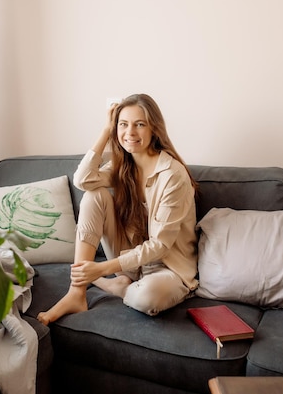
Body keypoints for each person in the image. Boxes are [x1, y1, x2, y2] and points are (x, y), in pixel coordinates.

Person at [37, 93, 199, 325]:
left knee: (147, 298)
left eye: (139, 124)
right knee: (94, 195)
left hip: (168, 269)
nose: (130, 133)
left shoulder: (173, 175)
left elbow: (161, 245)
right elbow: (83, 180)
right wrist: (106, 129)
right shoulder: (124, 165)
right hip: (131, 261)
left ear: (154, 129)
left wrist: (102, 270)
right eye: (123, 124)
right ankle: (76, 292)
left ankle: (117, 286)